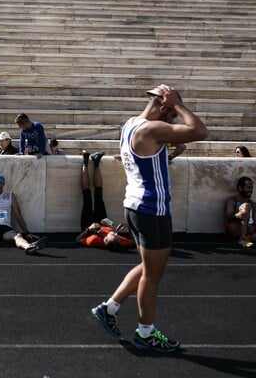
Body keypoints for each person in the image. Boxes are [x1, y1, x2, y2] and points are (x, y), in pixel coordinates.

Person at [91, 84, 208, 353]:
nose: (175, 120)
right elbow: (200, 131)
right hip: (151, 210)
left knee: (147, 267)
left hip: (135, 206)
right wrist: (178, 104)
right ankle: (145, 333)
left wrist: (172, 117)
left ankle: (109, 308)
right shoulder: (151, 129)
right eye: (172, 114)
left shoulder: (131, 123)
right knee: (153, 275)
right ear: (164, 106)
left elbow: (165, 146)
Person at [74, 151, 134, 250]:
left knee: (87, 197)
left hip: (90, 226)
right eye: (118, 236)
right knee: (99, 195)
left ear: (105, 239)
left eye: (114, 236)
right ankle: (96, 162)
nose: (116, 234)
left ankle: (85, 163)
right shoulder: (121, 242)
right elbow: (133, 242)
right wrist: (129, 227)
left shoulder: (94, 240)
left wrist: (88, 230)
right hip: (106, 223)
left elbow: (78, 240)